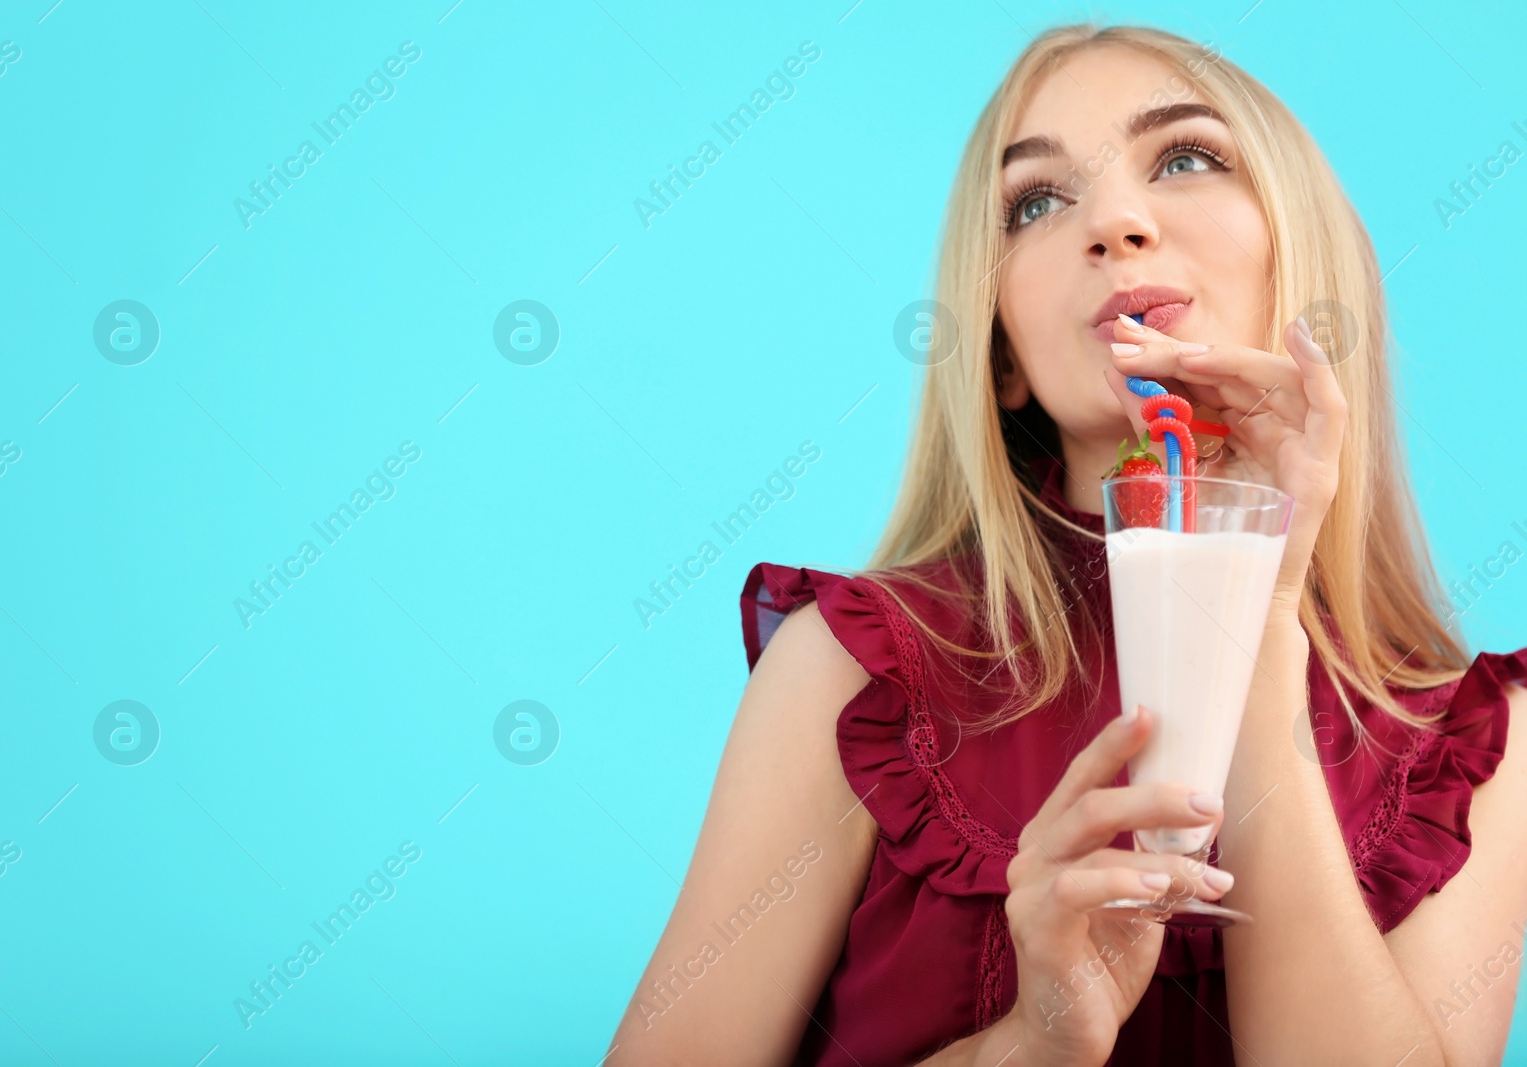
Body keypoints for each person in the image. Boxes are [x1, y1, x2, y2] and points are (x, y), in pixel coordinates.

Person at [606, 22, 1527, 1067]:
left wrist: (1255, 616)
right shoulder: (847, 671)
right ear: (1004, 355)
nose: (1115, 223)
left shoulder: (1484, 744)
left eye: (1186, 158)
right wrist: (1030, 1045)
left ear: (1301, 263)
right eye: (1037, 203)